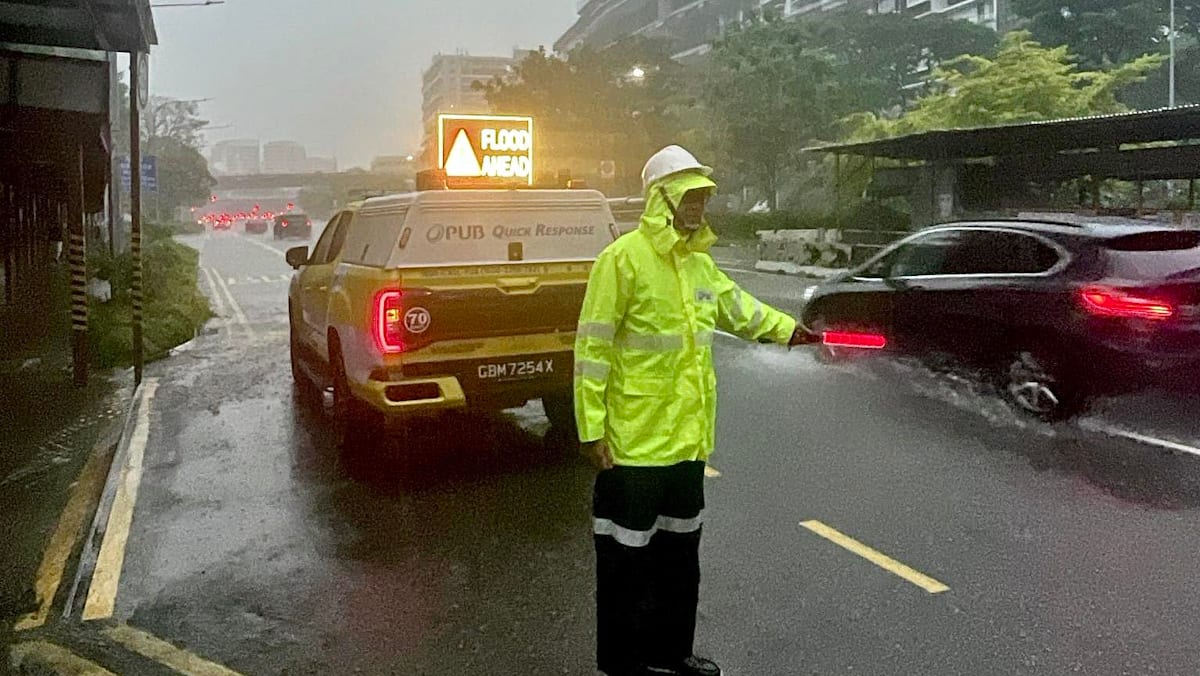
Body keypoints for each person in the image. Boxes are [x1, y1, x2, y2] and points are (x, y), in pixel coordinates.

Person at [574, 145, 812, 676]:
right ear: (661, 199)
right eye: (690, 196)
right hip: (632, 448)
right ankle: (621, 662)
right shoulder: (622, 261)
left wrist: (789, 331)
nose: (700, 205)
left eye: (704, 196)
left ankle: (670, 653)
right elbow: (592, 349)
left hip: (686, 445)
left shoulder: (699, 265)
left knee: (680, 560)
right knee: (625, 561)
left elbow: (738, 308)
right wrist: (592, 429)